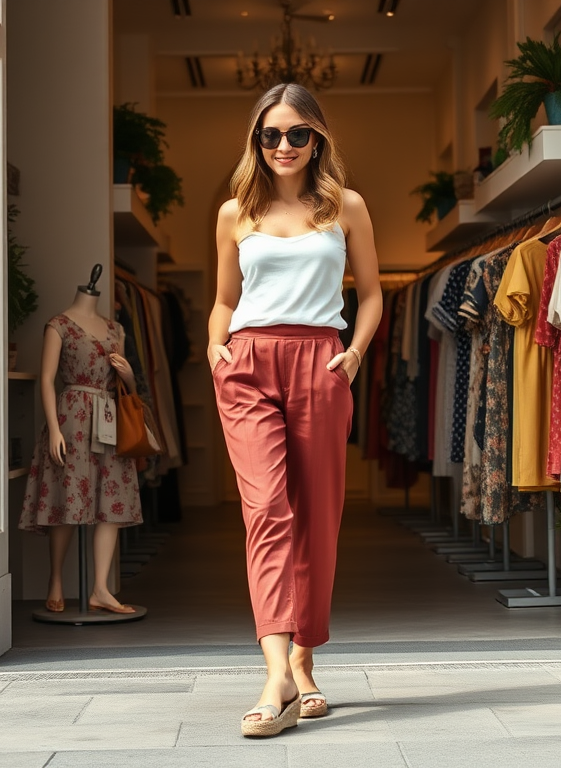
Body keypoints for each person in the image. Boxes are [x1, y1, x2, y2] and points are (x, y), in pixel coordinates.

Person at [208, 82, 382, 737]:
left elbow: (369, 294)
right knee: (267, 513)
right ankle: (276, 673)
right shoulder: (235, 214)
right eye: (271, 135)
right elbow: (226, 300)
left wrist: (357, 352)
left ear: (318, 139)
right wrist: (212, 347)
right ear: (257, 141)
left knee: (318, 518)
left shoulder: (347, 208)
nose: (284, 146)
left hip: (321, 359)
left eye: (297, 134)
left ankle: (306, 663)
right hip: (248, 363)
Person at [19, 272, 143, 615]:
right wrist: (55, 430)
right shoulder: (58, 325)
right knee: (67, 501)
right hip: (71, 419)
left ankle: (101, 589)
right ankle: (55, 580)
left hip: (108, 418)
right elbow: (46, 380)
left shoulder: (115, 328)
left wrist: (129, 374)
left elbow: (127, 386)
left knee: (111, 505)